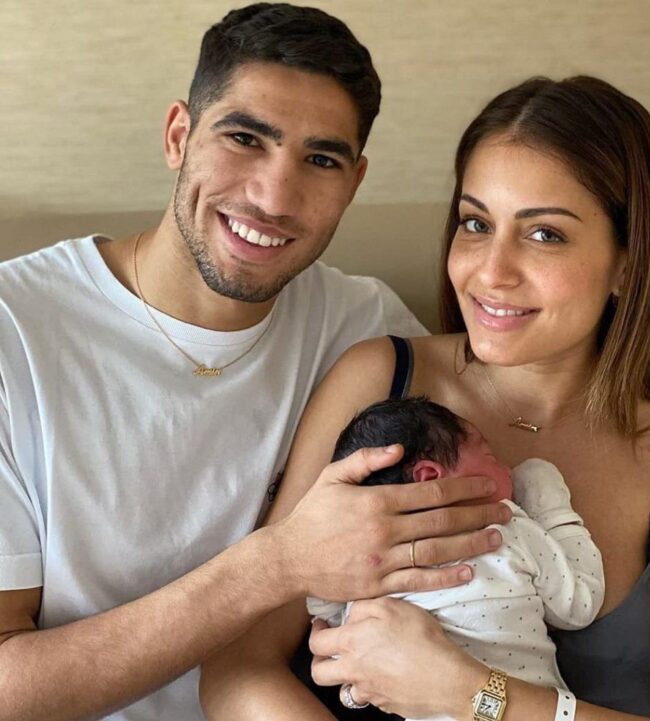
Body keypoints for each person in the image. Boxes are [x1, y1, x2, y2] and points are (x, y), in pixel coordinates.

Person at [0, 5, 513, 721]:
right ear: (178, 136)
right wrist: (277, 562)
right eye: (244, 138)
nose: (274, 197)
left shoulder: (367, 327)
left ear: (354, 181)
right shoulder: (15, 331)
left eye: (321, 160)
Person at [199, 76, 650, 720]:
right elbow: (239, 670)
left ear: (627, 263)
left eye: (545, 234)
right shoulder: (380, 380)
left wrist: (470, 692)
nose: (491, 271)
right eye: (476, 223)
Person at [306, 395, 605, 720]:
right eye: (491, 457)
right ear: (429, 478)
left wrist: (324, 583)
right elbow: (579, 605)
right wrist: (549, 505)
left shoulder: (369, 572)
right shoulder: (504, 530)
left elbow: (341, 642)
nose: (507, 468)